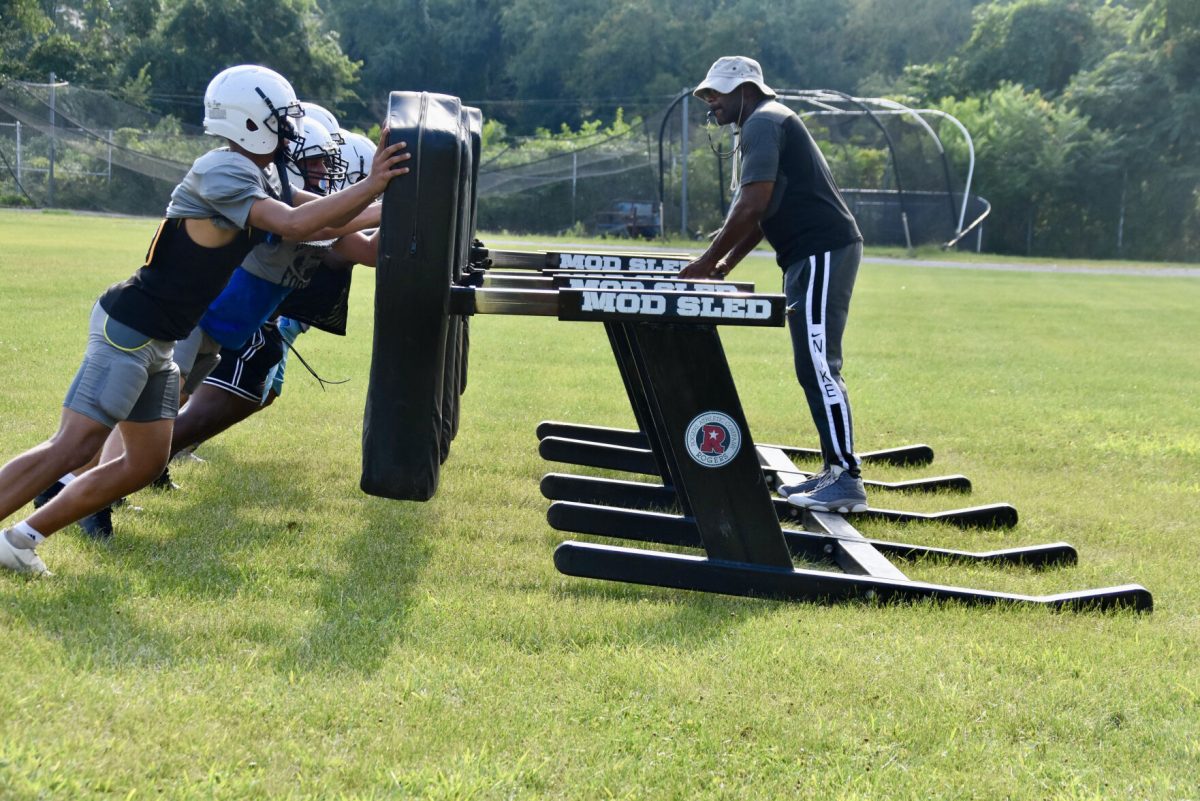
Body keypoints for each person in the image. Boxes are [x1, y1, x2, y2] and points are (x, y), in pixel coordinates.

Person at [0, 65, 409, 576]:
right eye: (282, 119)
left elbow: (331, 218)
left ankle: (19, 540)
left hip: (164, 341)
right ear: (250, 122)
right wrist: (373, 183)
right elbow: (297, 223)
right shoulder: (224, 169)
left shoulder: (265, 175)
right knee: (76, 443)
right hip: (131, 327)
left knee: (146, 462)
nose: (289, 130)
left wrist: (395, 199)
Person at [679, 56, 867, 514]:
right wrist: (724, 265)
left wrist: (707, 262)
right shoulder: (761, 124)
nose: (710, 104)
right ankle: (834, 470)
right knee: (811, 364)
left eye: (716, 94)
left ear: (745, 89)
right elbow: (762, 216)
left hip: (822, 250)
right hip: (808, 254)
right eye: (706, 96)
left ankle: (846, 480)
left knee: (821, 364)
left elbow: (752, 205)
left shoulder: (763, 122)